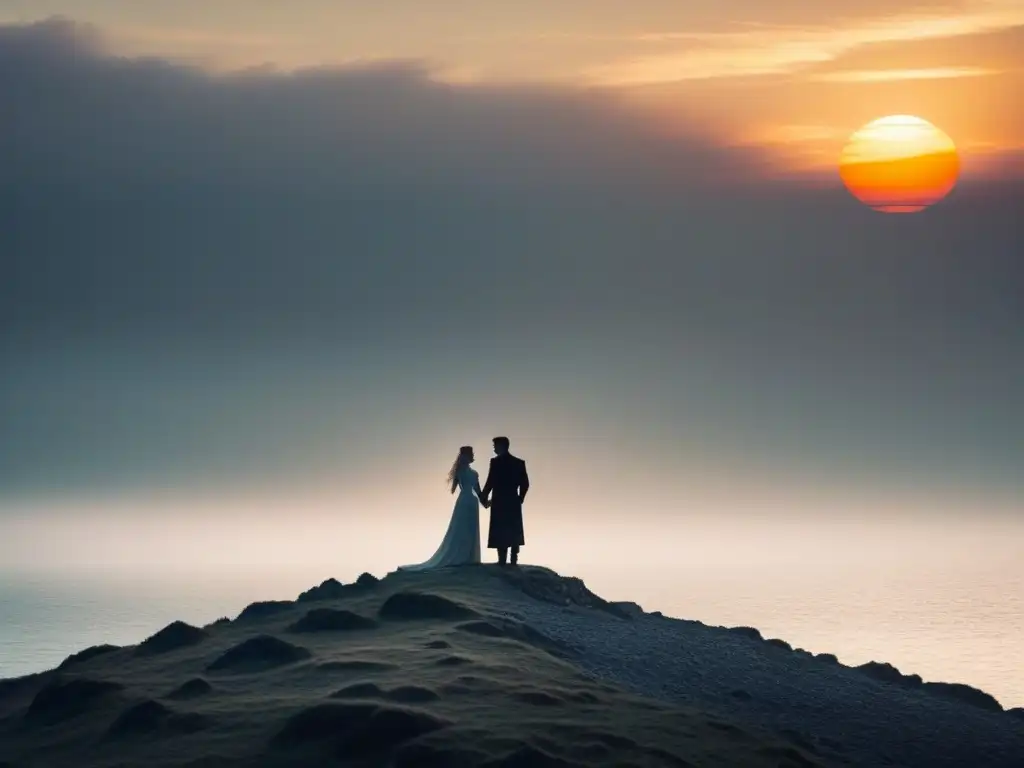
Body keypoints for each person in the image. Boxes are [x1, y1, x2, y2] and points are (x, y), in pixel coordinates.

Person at [397, 445, 484, 571]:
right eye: (472, 454)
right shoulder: (473, 473)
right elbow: (478, 491)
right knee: (467, 528)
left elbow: (455, 488)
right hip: (471, 501)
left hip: (464, 500)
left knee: (462, 528)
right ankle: (467, 556)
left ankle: (463, 556)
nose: (473, 456)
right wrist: (485, 503)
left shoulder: (460, 471)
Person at [480, 436, 529, 565]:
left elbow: (490, 481)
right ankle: (513, 561)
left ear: (501, 446)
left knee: (500, 529)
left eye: (495, 446)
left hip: (499, 499)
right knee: (513, 529)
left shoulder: (495, 462)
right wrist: (520, 498)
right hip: (513, 499)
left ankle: (502, 561)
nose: (494, 448)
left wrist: (483, 497)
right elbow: (525, 483)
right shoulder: (519, 463)